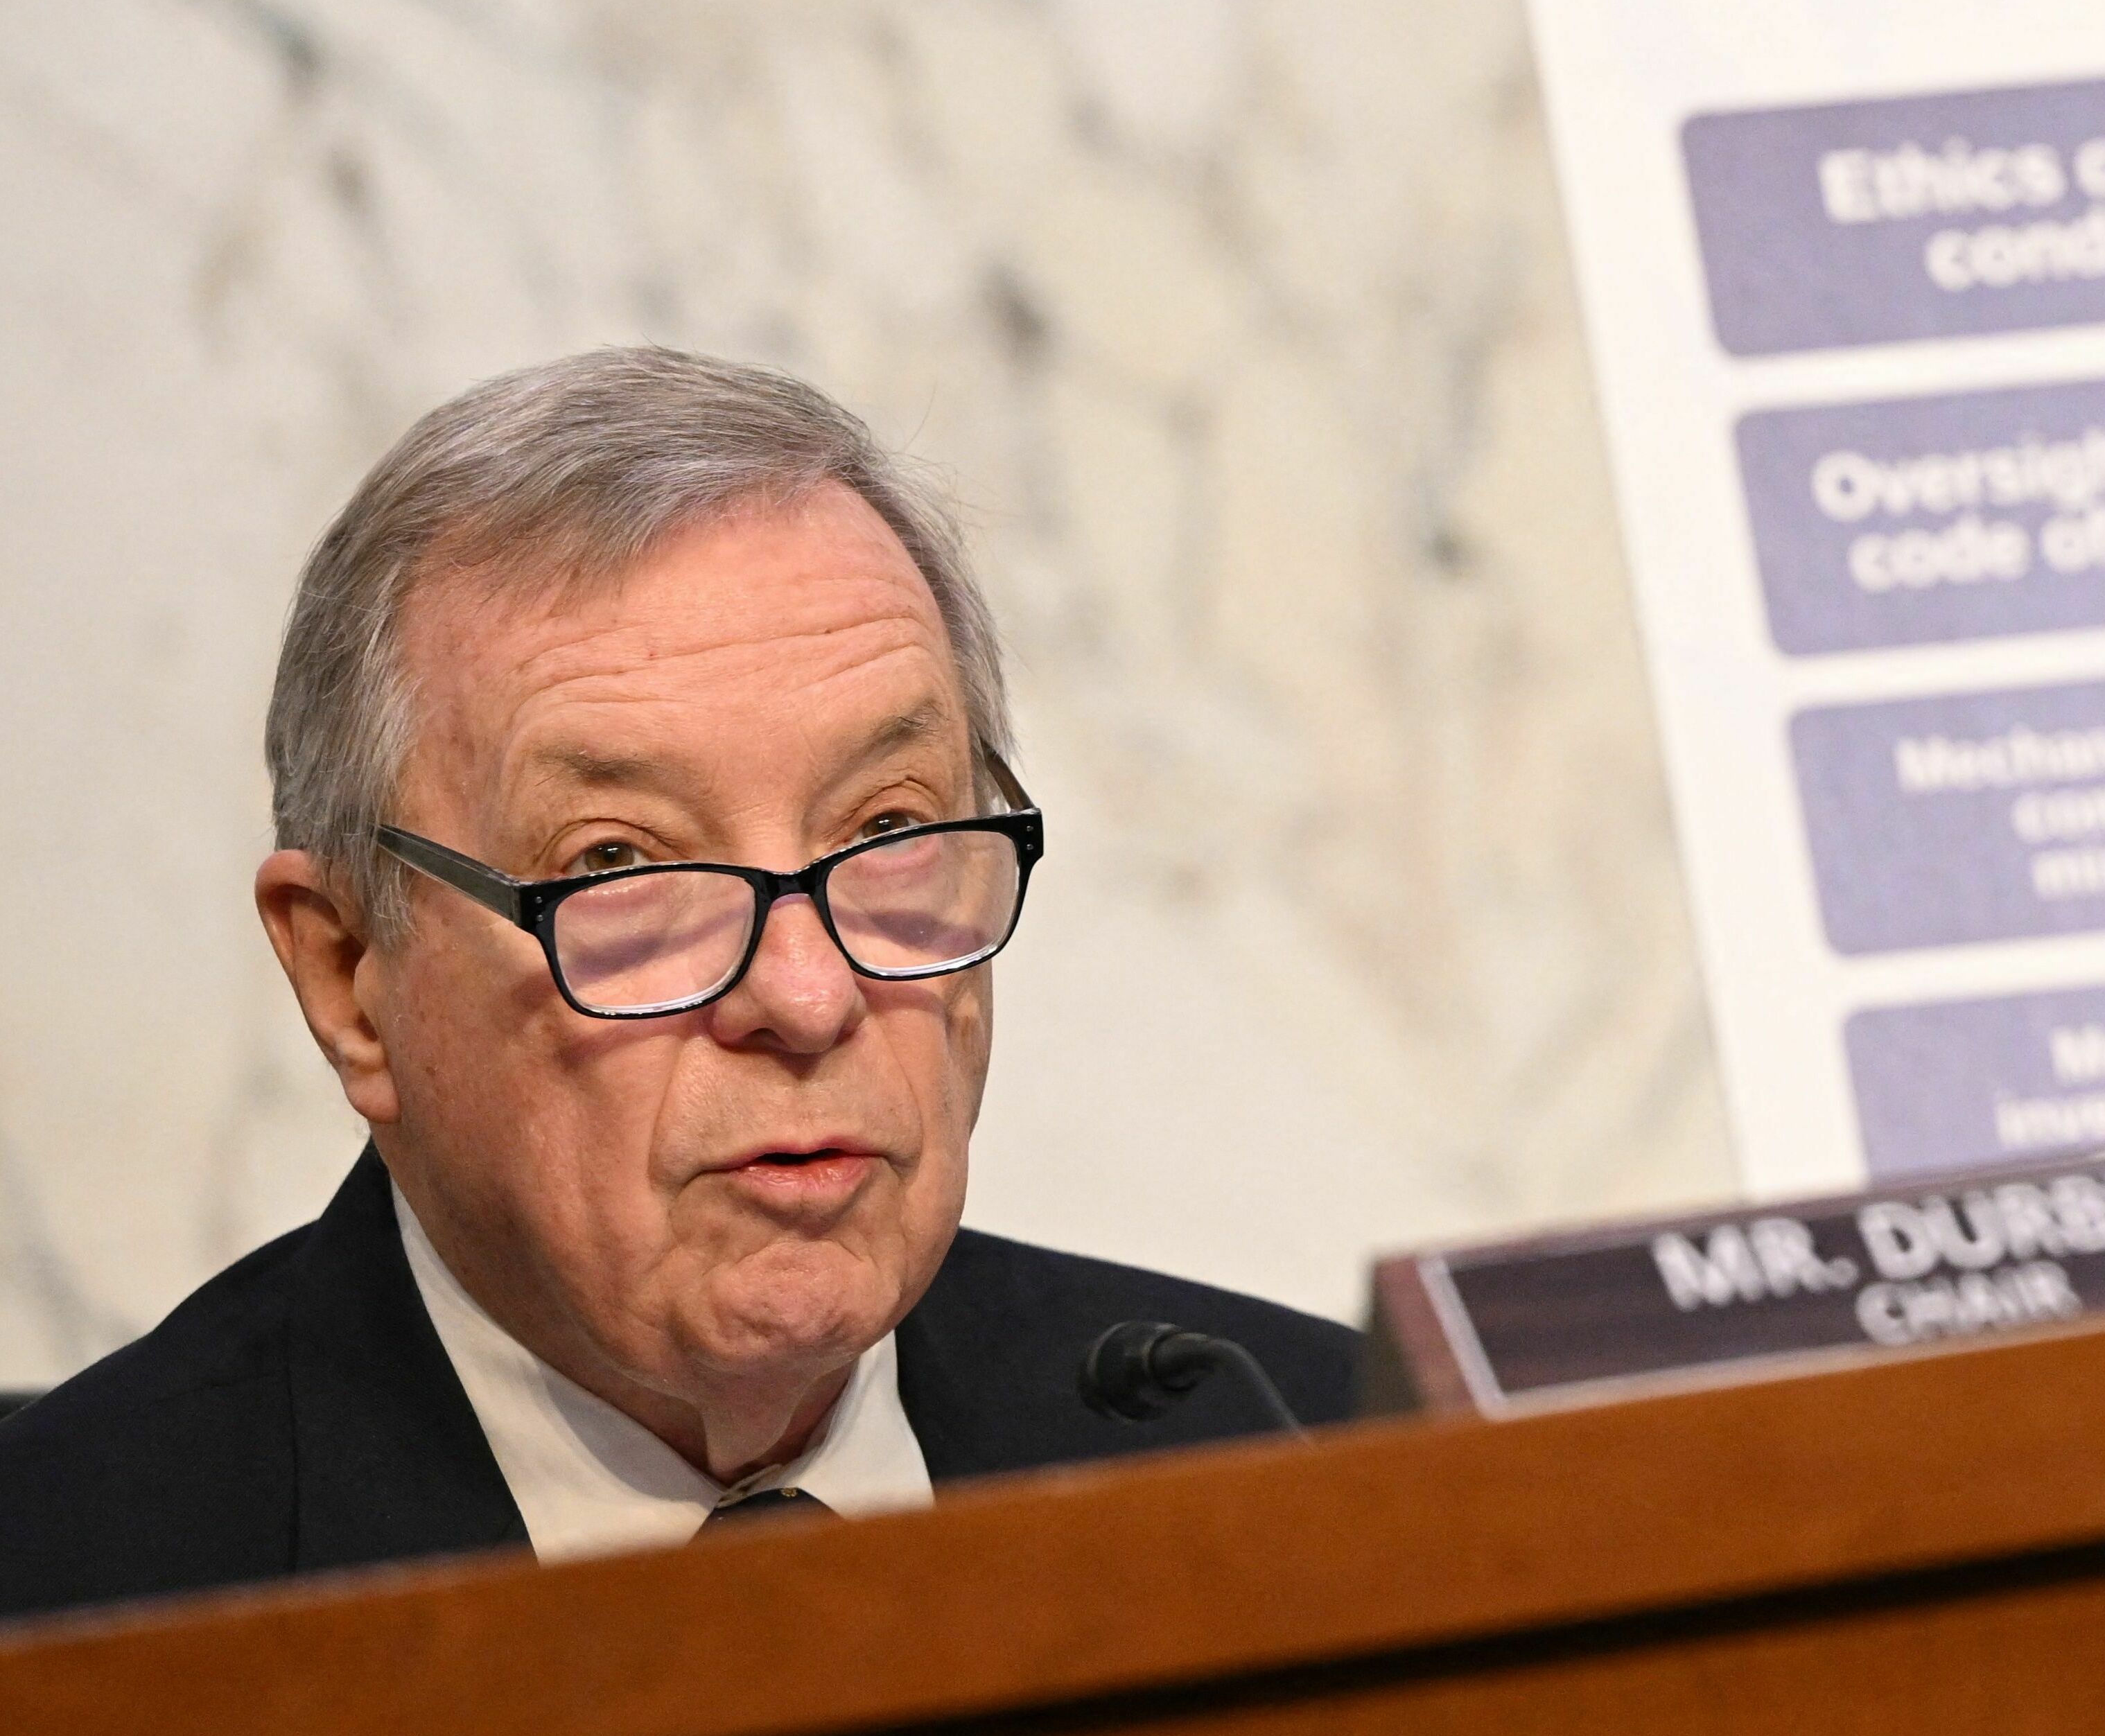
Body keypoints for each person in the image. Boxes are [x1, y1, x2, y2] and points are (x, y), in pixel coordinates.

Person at [0, 348, 1354, 1621]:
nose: (809, 998)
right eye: (619, 866)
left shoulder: (1319, 1459)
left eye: (883, 831)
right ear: (350, 974)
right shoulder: (69, 1598)